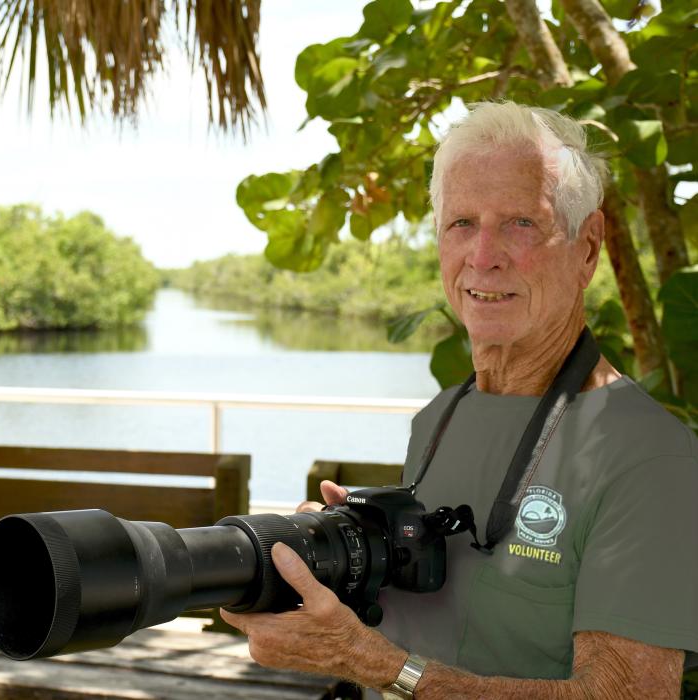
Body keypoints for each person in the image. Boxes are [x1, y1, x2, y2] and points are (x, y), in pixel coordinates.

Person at [220, 101, 698, 699]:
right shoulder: (439, 418)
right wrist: (343, 562)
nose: (483, 255)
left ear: (589, 246)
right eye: (461, 223)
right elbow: (441, 623)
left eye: (521, 222)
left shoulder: (647, 453)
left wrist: (379, 666)